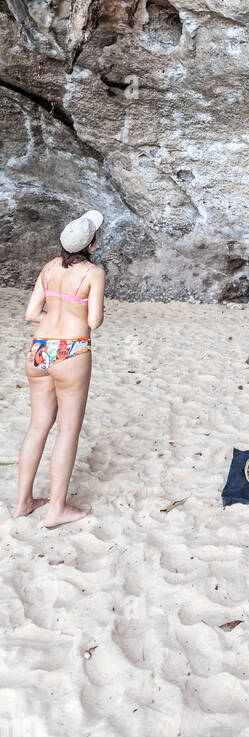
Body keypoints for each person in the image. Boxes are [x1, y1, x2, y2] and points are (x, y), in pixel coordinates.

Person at [14, 210, 105, 528]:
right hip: (72, 351)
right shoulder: (93, 272)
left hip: (39, 349)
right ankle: (56, 509)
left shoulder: (49, 268)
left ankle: (23, 502)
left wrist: (55, 319)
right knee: (67, 430)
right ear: (91, 243)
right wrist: (75, 317)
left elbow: (31, 313)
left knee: (37, 426)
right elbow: (94, 321)